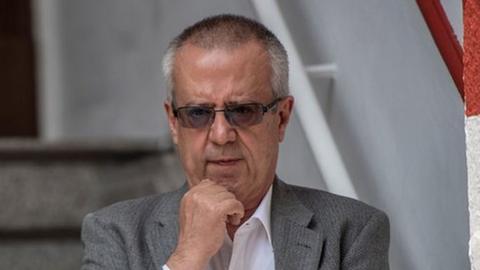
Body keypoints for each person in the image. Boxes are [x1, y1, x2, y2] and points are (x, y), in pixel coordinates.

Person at [81, 14, 390, 270]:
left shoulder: (352, 233)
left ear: (281, 118)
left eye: (243, 111)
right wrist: (187, 257)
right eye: (198, 113)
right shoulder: (115, 233)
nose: (220, 134)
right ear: (174, 123)